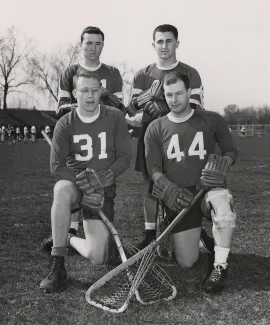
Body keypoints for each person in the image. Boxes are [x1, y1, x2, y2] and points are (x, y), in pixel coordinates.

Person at [144, 71, 238, 292]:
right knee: (186, 262)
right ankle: (202, 235)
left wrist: (223, 163)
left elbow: (231, 150)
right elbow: (153, 168)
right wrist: (165, 185)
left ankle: (220, 266)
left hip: (208, 188)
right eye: (168, 95)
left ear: (189, 92)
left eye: (178, 93)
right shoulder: (155, 127)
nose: (174, 100)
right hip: (179, 196)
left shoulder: (211, 119)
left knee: (223, 211)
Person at [39, 71, 131, 292]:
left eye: (94, 90)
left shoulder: (115, 117)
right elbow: (57, 166)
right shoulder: (65, 122)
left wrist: (105, 177)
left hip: (102, 190)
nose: (90, 95)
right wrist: (85, 184)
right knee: (61, 189)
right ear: (74, 93)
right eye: (84, 90)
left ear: (101, 92)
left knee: (98, 256)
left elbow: (125, 157)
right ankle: (58, 265)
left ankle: (67, 238)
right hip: (76, 185)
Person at [41, 26, 126, 252]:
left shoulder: (112, 73)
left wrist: (103, 103)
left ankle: (77, 233)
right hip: (78, 134)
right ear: (81, 45)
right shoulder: (70, 73)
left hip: (103, 137)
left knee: (101, 250)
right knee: (73, 179)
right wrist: (86, 105)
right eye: (89, 43)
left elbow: (120, 109)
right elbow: (62, 110)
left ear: (103, 46)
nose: (93, 48)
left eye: (98, 43)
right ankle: (67, 234)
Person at [126, 24, 211, 250]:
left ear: (177, 43)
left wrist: (163, 107)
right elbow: (132, 108)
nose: (164, 46)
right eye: (160, 41)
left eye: (169, 41)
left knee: (186, 182)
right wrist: (148, 98)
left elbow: (196, 107)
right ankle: (149, 234)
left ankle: (197, 229)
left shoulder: (190, 72)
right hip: (150, 134)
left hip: (182, 134)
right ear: (153, 44)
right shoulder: (142, 74)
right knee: (150, 184)